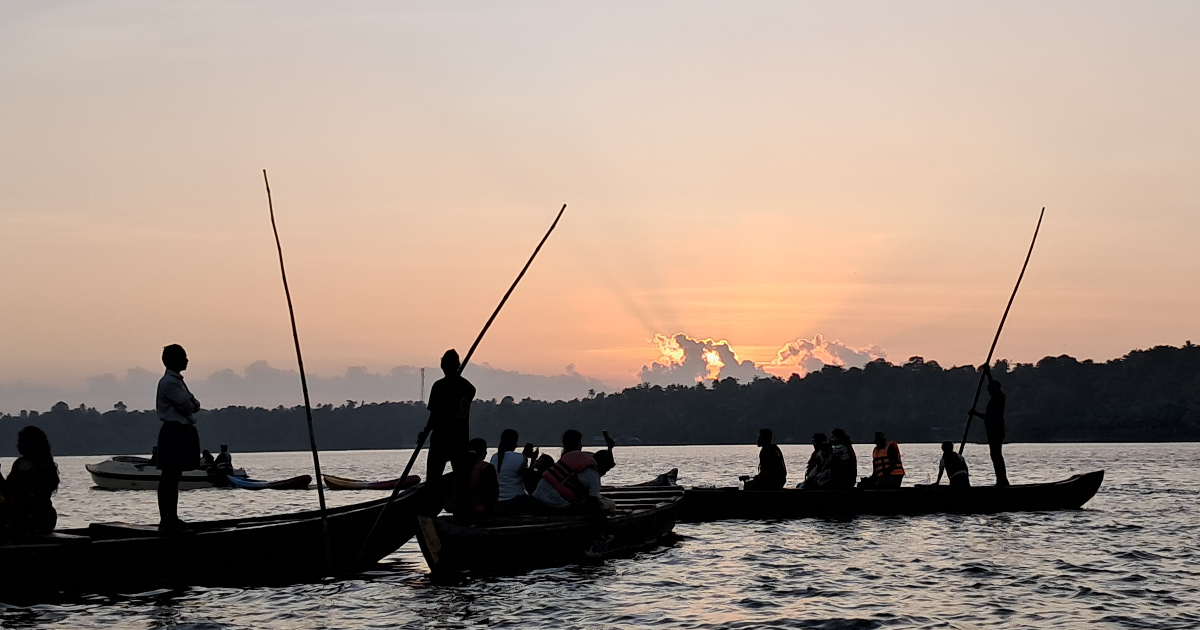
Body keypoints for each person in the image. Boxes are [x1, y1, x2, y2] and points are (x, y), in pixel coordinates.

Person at [156, 344, 202, 532]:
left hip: (180, 431)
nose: (187, 360)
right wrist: (191, 402)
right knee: (169, 476)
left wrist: (192, 402)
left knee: (174, 477)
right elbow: (188, 404)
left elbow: (193, 403)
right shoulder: (169, 382)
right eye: (183, 356)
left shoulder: (177, 381)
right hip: (174, 431)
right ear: (173, 360)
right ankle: (167, 518)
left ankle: (171, 517)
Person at [422, 350, 477, 489]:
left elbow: (434, 414)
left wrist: (425, 432)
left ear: (443, 366)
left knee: (433, 479)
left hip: (442, 438)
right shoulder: (468, 387)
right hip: (460, 440)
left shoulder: (440, 386)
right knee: (461, 479)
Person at [532, 430, 614, 513]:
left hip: (537, 496)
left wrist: (609, 448)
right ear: (577, 444)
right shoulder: (591, 470)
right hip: (552, 504)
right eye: (580, 442)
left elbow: (604, 460)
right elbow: (593, 502)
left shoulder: (572, 457)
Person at [0, 426, 60, 537]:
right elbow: (8, 491)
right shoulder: (18, 464)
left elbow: (35, 499)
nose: (18, 446)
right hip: (15, 513)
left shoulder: (44, 466)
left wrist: (9, 511)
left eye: (22, 442)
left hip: (38, 516)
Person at [968, 366, 1010, 486]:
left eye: (989, 388)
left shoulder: (1000, 397)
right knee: (994, 455)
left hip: (997, 430)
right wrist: (975, 413)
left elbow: (994, 389)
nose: (987, 390)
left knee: (996, 455)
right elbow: (988, 417)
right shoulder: (992, 401)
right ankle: (1000, 480)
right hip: (991, 430)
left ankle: (1002, 480)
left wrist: (988, 374)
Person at [445, 438, 499, 518]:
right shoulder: (487, 468)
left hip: (459, 509)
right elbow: (493, 494)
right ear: (484, 453)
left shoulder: (459, 468)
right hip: (480, 509)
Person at [491, 429, 535, 513]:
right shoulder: (520, 458)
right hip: (516, 499)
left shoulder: (494, 457)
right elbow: (528, 477)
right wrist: (532, 459)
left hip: (500, 501)